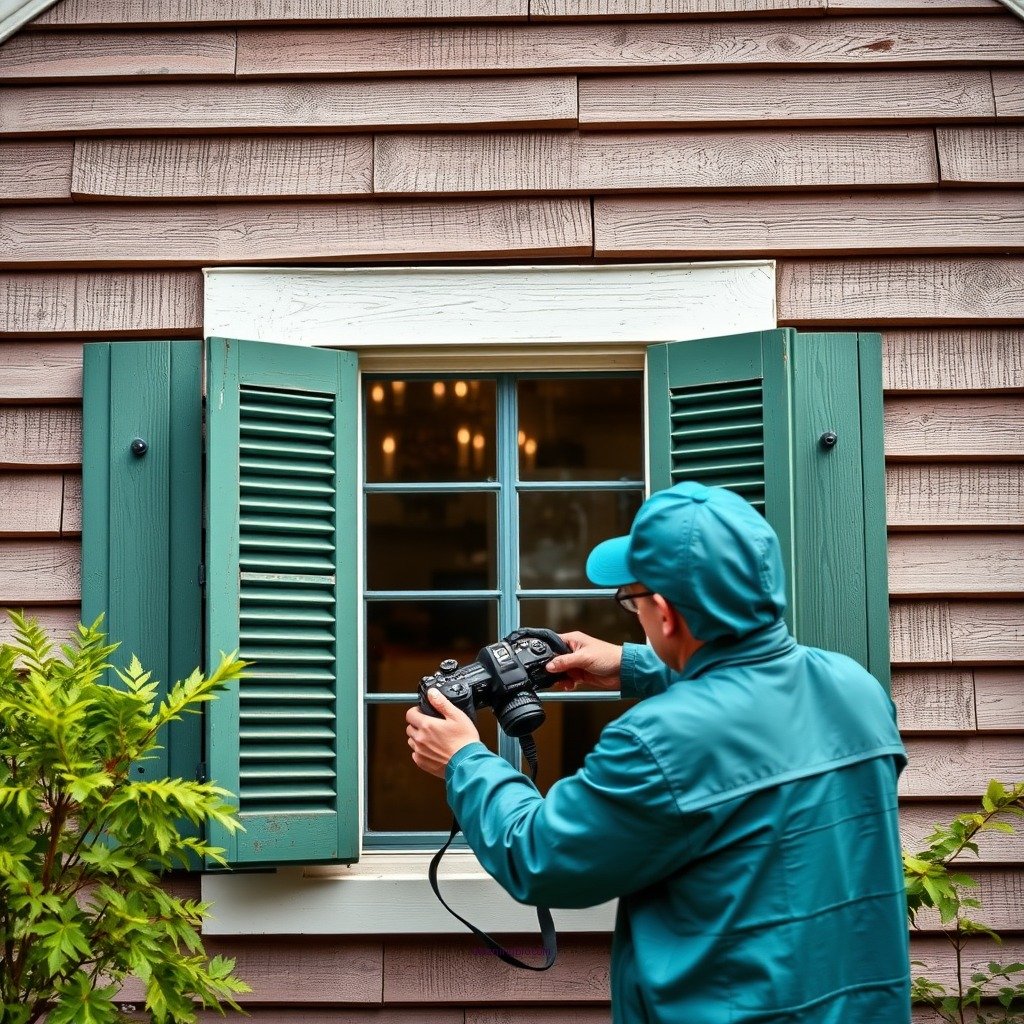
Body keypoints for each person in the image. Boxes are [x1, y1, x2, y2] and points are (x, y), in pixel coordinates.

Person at [406, 481, 910, 1024]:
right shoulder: (854, 689)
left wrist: (465, 761)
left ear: (665, 614)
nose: (635, 612)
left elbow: (541, 857)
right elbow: (754, 701)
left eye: (633, 600)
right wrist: (631, 664)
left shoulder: (657, 742)